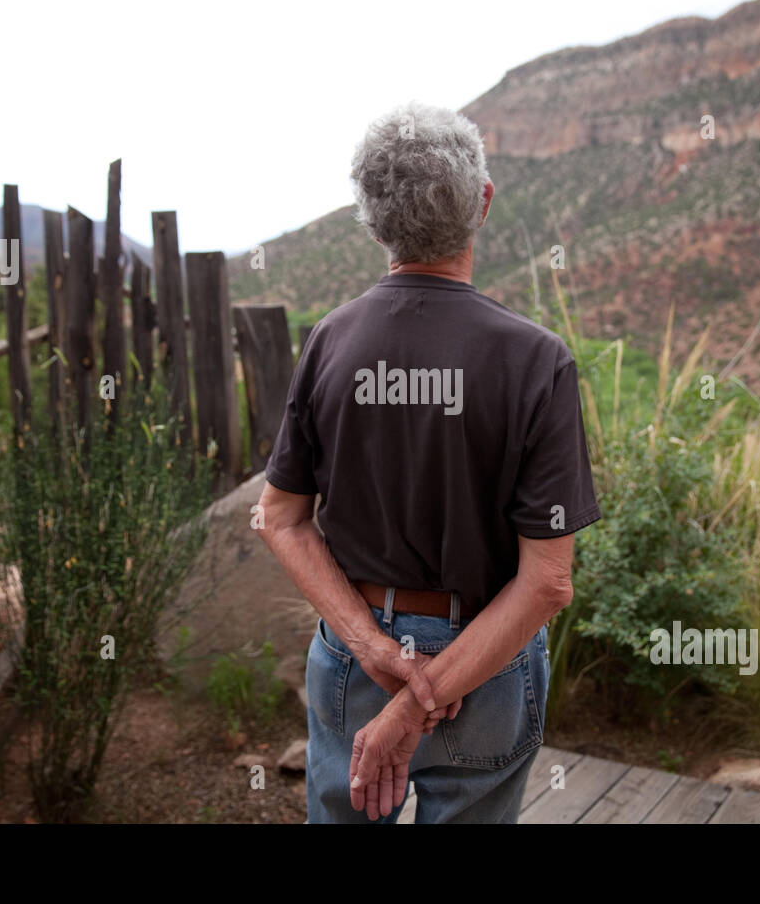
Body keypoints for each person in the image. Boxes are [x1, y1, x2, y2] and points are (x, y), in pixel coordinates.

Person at [255, 101, 600, 823]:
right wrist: (427, 695)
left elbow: (280, 519)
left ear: (374, 223)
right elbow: (547, 583)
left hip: (356, 661)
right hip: (490, 663)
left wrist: (378, 656)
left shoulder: (328, 342)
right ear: (482, 202)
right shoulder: (538, 362)